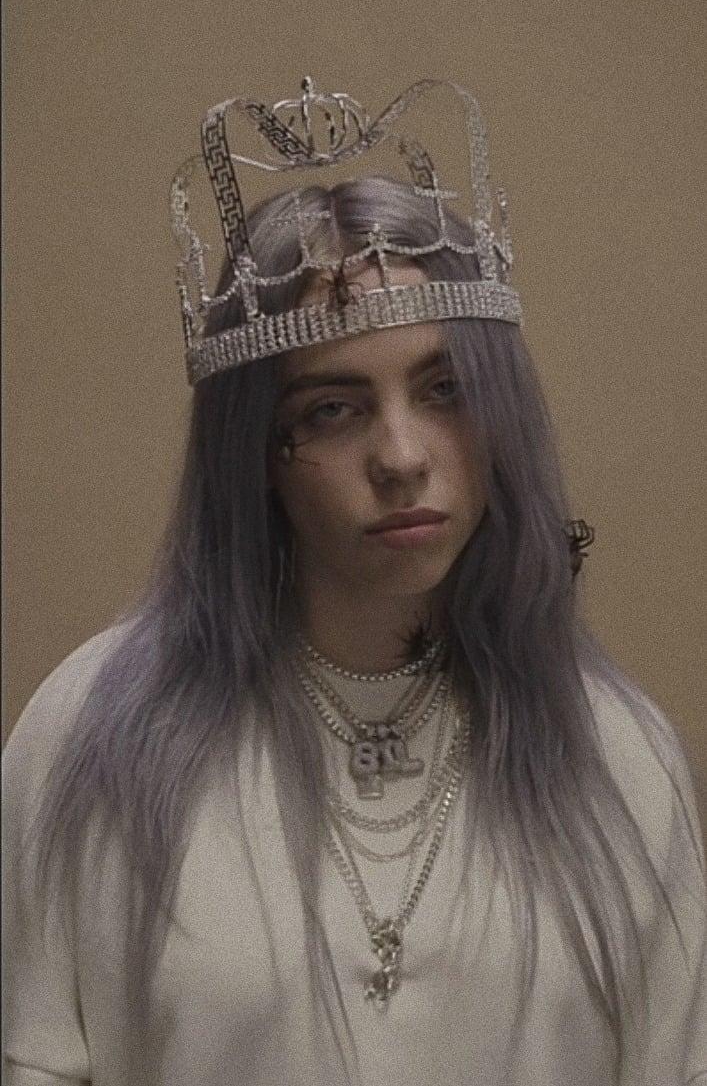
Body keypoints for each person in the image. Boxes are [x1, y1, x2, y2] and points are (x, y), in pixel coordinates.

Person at [3, 78, 705, 1086]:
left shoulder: (615, 755)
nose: (402, 457)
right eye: (332, 409)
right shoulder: (92, 739)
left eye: (444, 391)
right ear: (257, 452)